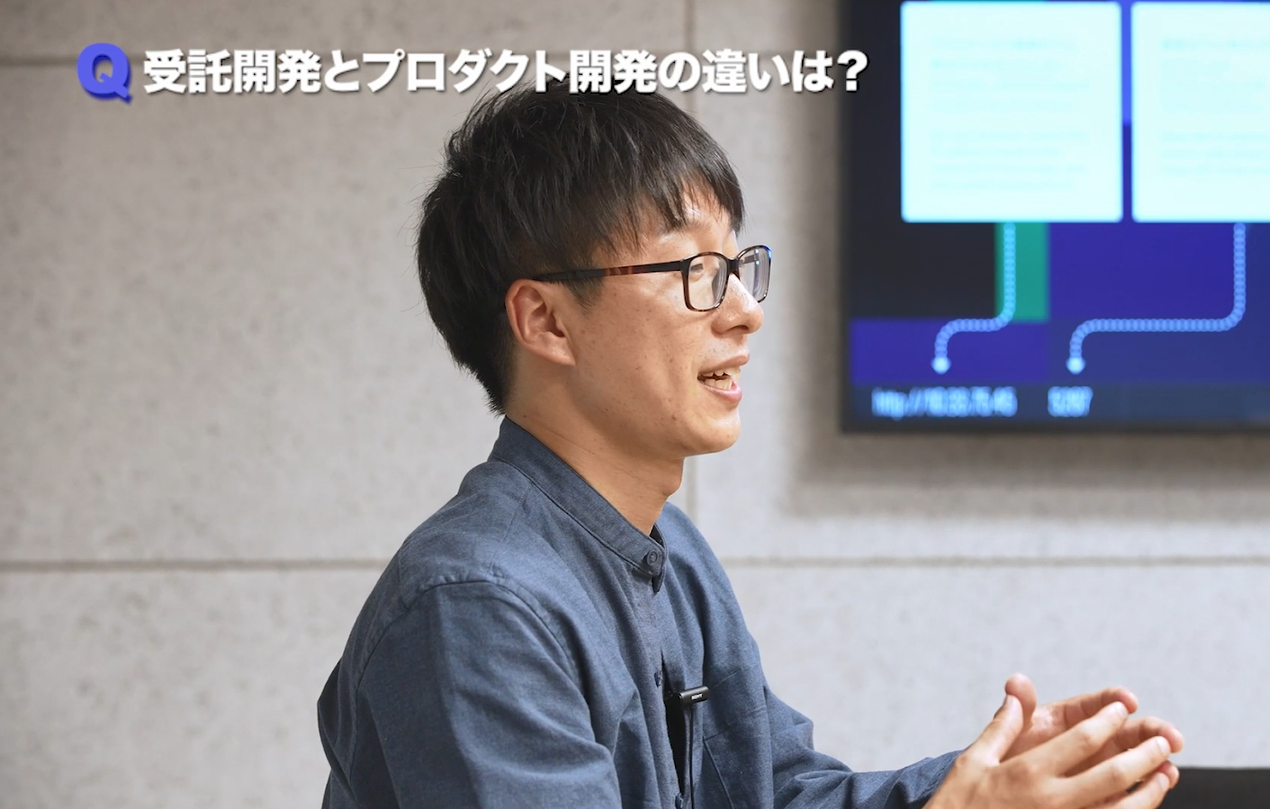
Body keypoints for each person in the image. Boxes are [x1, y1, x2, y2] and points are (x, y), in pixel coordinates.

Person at [315, 83, 1184, 809]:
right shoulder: (477, 604)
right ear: (545, 320)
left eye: (737, 268)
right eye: (694, 272)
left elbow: (778, 791)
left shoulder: (671, 550)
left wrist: (979, 783)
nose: (745, 311)